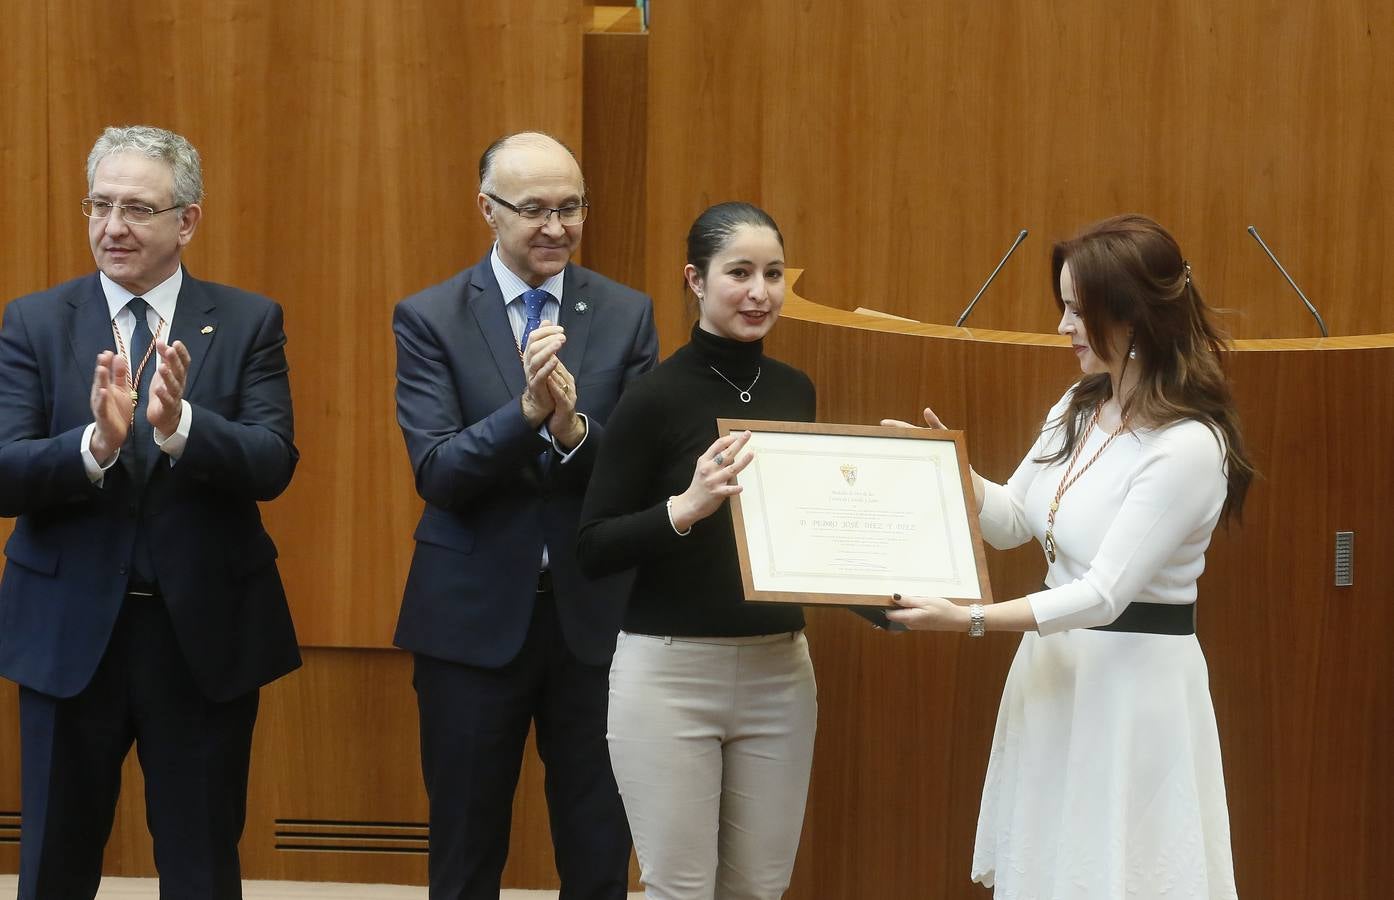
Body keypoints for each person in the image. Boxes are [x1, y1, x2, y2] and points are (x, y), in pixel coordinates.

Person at [883, 214, 1252, 898]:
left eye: (1080, 311)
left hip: (1130, 692)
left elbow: (1105, 595)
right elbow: (1013, 521)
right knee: (1050, 868)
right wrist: (948, 470)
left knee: (1117, 873)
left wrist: (969, 619)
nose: (1064, 327)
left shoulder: (1190, 446)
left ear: (1136, 315)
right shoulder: (1079, 405)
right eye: (1065, 308)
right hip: (1054, 675)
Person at [0, 125, 300, 899]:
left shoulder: (246, 320)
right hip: (69, 637)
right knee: (53, 868)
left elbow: (273, 463)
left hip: (201, 637)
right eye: (99, 205)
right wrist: (94, 446)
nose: (112, 227)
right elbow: (3, 473)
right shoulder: (35, 322)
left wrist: (181, 429)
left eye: (136, 208)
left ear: (187, 220)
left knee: (201, 868)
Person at [392, 131, 659, 899]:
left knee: (598, 845)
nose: (555, 227)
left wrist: (573, 432)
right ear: (487, 209)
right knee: (467, 848)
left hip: (595, 620)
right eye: (534, 208)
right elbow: (438, 471)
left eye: (570, 208)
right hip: (469, 624)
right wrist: (528, 412)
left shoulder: (625, 313)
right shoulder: (431, 317)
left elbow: (640, 474)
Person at [577, 202, 818, 900]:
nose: (759, 292)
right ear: (695, 279)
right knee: (680, 889)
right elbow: (593, 546)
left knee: (759, 890)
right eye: (739, 272)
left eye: (773, 274)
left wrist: (891, 599)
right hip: (670, 676)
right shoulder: (652, 397)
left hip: (781, 671)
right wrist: (685, 507)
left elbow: (802, 537)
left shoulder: (794, 391)